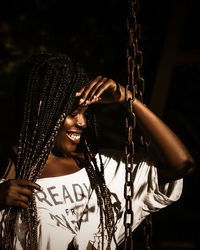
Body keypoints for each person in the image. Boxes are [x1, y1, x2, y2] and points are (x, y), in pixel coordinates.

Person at [0, 52, 195, 250]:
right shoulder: (9, 173)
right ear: (41, 109)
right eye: (73, 113)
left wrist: (127, 98)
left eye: (86, 113)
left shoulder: (105, 169)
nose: (82, 123)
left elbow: (181, 165)